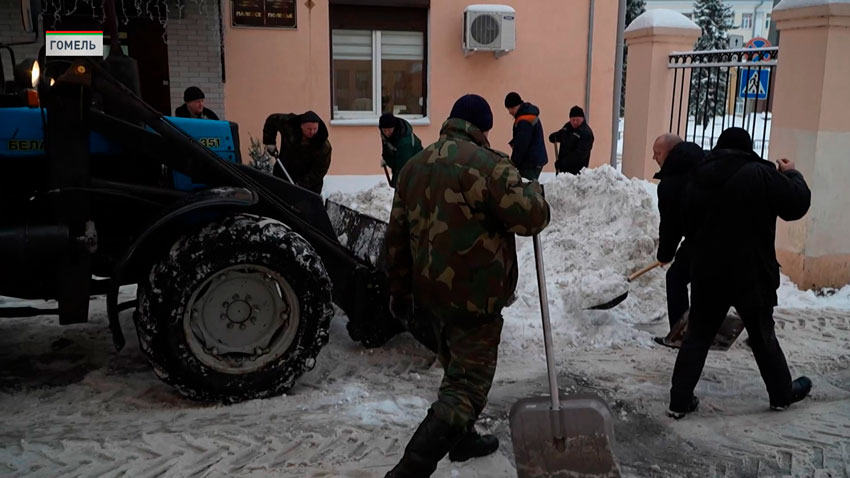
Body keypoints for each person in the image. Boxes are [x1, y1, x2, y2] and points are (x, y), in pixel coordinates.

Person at [383, 94, 550, 477]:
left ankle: (463, 440)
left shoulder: (413, 166)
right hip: (476, 299)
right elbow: (531, 219)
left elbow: (396, 235)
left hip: (430, 295)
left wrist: (398, 289)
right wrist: (535, 194)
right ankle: (409, 470)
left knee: (454, 367)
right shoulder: (488, 166)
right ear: (483, 128)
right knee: (466, 389)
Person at [667, 127, 813, 419]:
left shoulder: (697, 175)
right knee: (761, 335)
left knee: (698, 335)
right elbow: (797, 204)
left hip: (708, 271)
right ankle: (781, 394)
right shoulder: (760, 173)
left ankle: (679, 401)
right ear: (747, 148)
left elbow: (684, 219)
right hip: (751, 272)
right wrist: (792, 174)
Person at [650, 134, 705, 347]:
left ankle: (680, 335)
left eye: (658, 152)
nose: (654, 157)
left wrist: (665, 254)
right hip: (725, 235)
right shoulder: (705, 162)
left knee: (676, 278)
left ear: (671, 152)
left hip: (702, 239)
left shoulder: (671, 182)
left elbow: (671, 224)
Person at [262, 111, 332, 194]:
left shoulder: (322, 145)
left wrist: (300, 185)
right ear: (301, 126)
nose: (312, 132)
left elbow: (318, 172)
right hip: (282, 173)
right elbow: (272, 120)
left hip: (309, 188)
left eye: (315, 129)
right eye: (309, 129)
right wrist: (270, 142)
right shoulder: (289, 125)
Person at [504, 92, 548, 180]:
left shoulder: (524, 120)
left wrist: (513, 163)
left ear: (517, 105)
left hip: (530, 162)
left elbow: (522, 144)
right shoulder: (527, 115)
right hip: (534, 160)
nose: (510, 112)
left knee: (527, 187)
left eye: (511, 108)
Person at [379, 112, 423, 188]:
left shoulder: (405, 141)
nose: (386, 133)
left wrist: (396, 184)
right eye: (384, 130)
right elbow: (387, 153)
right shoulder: (388, 135)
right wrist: (387, 159)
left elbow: (402, 167)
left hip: (415, 170)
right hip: (402, 167)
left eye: (389, 130)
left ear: (394, 127)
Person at [549, 105, 594, 175]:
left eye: (577, 120)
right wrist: (555, 136)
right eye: (573, 120)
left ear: (582, 119)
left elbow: (579, 155)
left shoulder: (586, 133)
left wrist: (562, 163)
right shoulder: (567, 126)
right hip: (563, 171)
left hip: (576, 173)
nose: (575, 122)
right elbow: (562, 134)